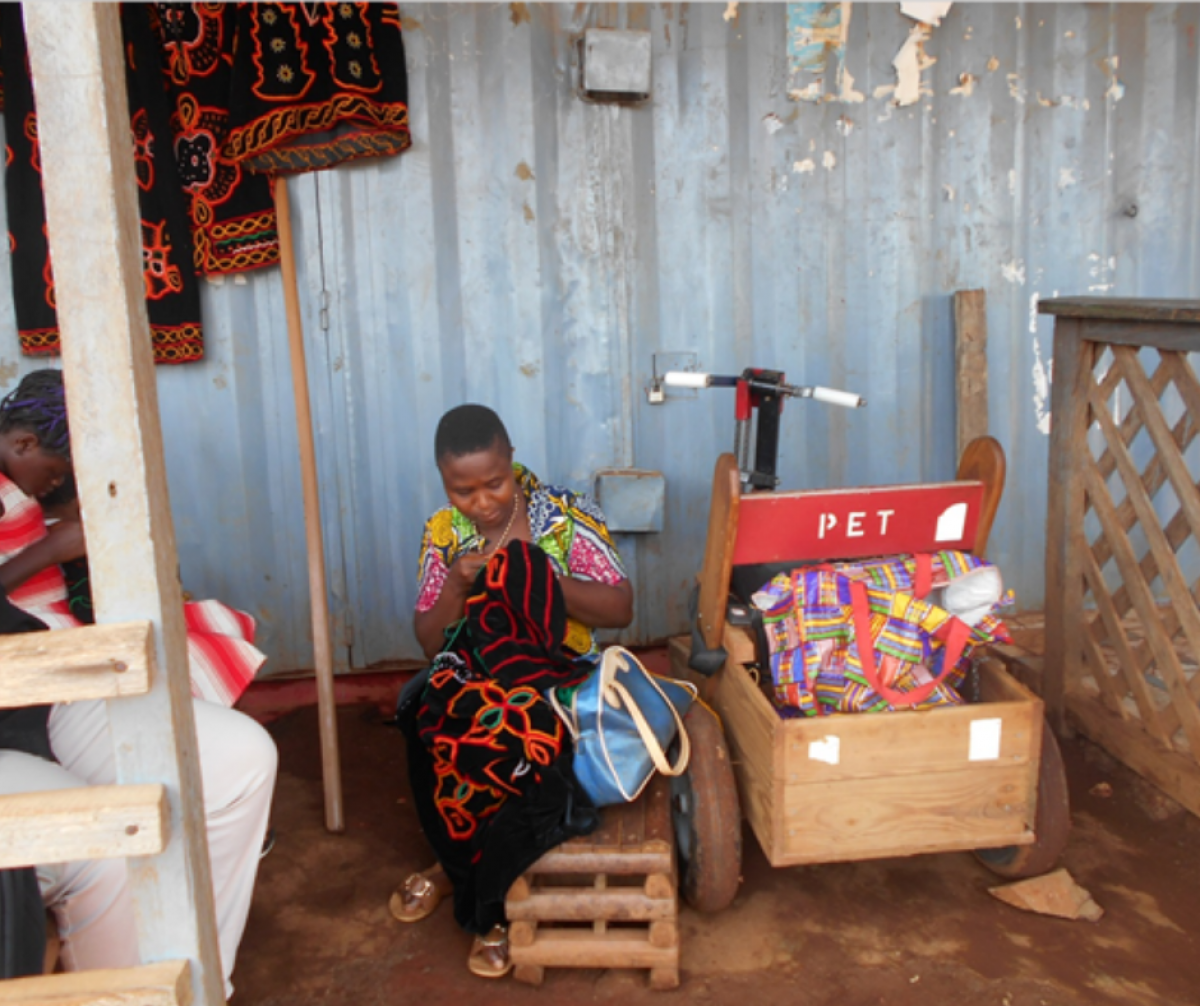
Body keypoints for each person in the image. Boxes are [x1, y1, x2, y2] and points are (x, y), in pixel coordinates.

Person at [0, 368, 276, 997]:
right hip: (16, 709)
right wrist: (51, 550)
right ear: (21, 447)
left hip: (56, 684)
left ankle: (205, 982)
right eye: (58, 470)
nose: (60, 481)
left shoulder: (26, 490)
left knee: (244, 763)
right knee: (103, 838)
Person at [393, 404, 633, 978]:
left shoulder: (565, 517)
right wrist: (456, 581)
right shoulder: (444, 534)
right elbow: (430, 640)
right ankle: (461, 865)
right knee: (424, 711)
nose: (482, 502)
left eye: (494, 483)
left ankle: (489, 904)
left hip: (560, 669)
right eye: (463, 490)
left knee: (516, 737)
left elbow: (620, 608)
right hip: (475, 670)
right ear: (444, 482)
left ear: (511, 460)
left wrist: (534, 574)